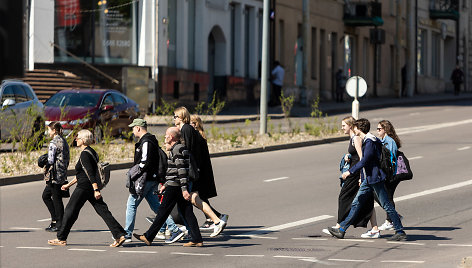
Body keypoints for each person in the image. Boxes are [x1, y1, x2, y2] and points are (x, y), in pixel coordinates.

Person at [327, 118, 407, 241]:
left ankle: (400, 231)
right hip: (369, 178)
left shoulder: (370, 141)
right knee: (356, 202)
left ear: (359, 129)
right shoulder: (369, 140)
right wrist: (362, 177)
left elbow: (365, 160)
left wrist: (350, 171)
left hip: (375, 178)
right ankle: (341, 230)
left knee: (386, 205)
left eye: (355, 128)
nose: (353, 130)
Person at [48, 129, 126, 247]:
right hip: (88, 185)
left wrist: (96, 189)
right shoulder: (92, 152)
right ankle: (119, 235)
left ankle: (61, 238)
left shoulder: (84, 154)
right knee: (103, 211)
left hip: (85, 187)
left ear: (83, 140)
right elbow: (83, 174)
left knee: (70, 211)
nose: (76, 139)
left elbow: (90, 173)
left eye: (77, 137)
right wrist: (69, 185)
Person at [133, 127, 204, 247]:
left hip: (175, 187)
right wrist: (166, 184)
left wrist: (184, 189)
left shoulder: (176, 150)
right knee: (187, 212)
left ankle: (148, 236)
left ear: (171, 137)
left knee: (162, 212)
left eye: (166, 135)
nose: (165, 137)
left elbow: (182, 171)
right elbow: (176, 171)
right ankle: (197, 238)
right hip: (174, 185)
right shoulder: (180, 148)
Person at [124, 119, 183, 244]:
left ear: (138, 128)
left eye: (133, 128)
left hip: (144, 180)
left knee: (131, 205)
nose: (132, 130)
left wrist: (134, 173)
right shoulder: (151, 140)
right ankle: (174, 229)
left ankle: (127, 234)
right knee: (157, 207)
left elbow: (144, 162)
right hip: (152, 179)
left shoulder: (146, 142)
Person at [173, 107, 227, 237]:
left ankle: (216, 220)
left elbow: (187, 150)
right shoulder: (186, 129)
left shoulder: (186, 129)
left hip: (189, 170)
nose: (173, 119)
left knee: (191, 198)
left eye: (175, 116)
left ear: (181, 117)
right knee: (192, 198)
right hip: (191, 169)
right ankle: (211, 222)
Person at [322, 116, 373, 236]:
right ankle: (375, 228)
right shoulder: (352, 138)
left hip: (355, 174)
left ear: (350, 126)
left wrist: (361, 176)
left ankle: (339, 225)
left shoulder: (356, 138)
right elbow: (355, 155)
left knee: (344, 197)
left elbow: (362, 158)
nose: (342, 128)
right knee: (366, 201)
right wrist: (348, 155)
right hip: (353, 172)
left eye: (344, 125)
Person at [190, 114, 229, 232]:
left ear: (195, 124)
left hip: (199, 172)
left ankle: (216, 217)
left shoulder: (198, 137)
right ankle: (212, 218)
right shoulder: (200, 135)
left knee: (196, 198)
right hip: (201, 171)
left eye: (191, 122)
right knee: (200, 198)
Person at [375, 120, 403, 232]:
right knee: (385, 196)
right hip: (387, 173)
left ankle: (390, 221)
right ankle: (393, 217)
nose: (377, 131)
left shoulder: (389, 142)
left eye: (379, 129)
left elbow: (390, 159)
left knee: (388, 196)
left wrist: (386, 173)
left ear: (385, 129)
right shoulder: (383, 141)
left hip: (390, 174)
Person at [42, 122, 70, 232]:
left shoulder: (53, 142)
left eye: (49, 130)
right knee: (46, 196)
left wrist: (42, 161)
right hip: (62, 173)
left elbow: (50, 160)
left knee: (56, 199)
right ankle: (55, 221)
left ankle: (59, 224)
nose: (48, 132)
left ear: (54, 130)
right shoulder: (63, 140)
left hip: (54, 175)